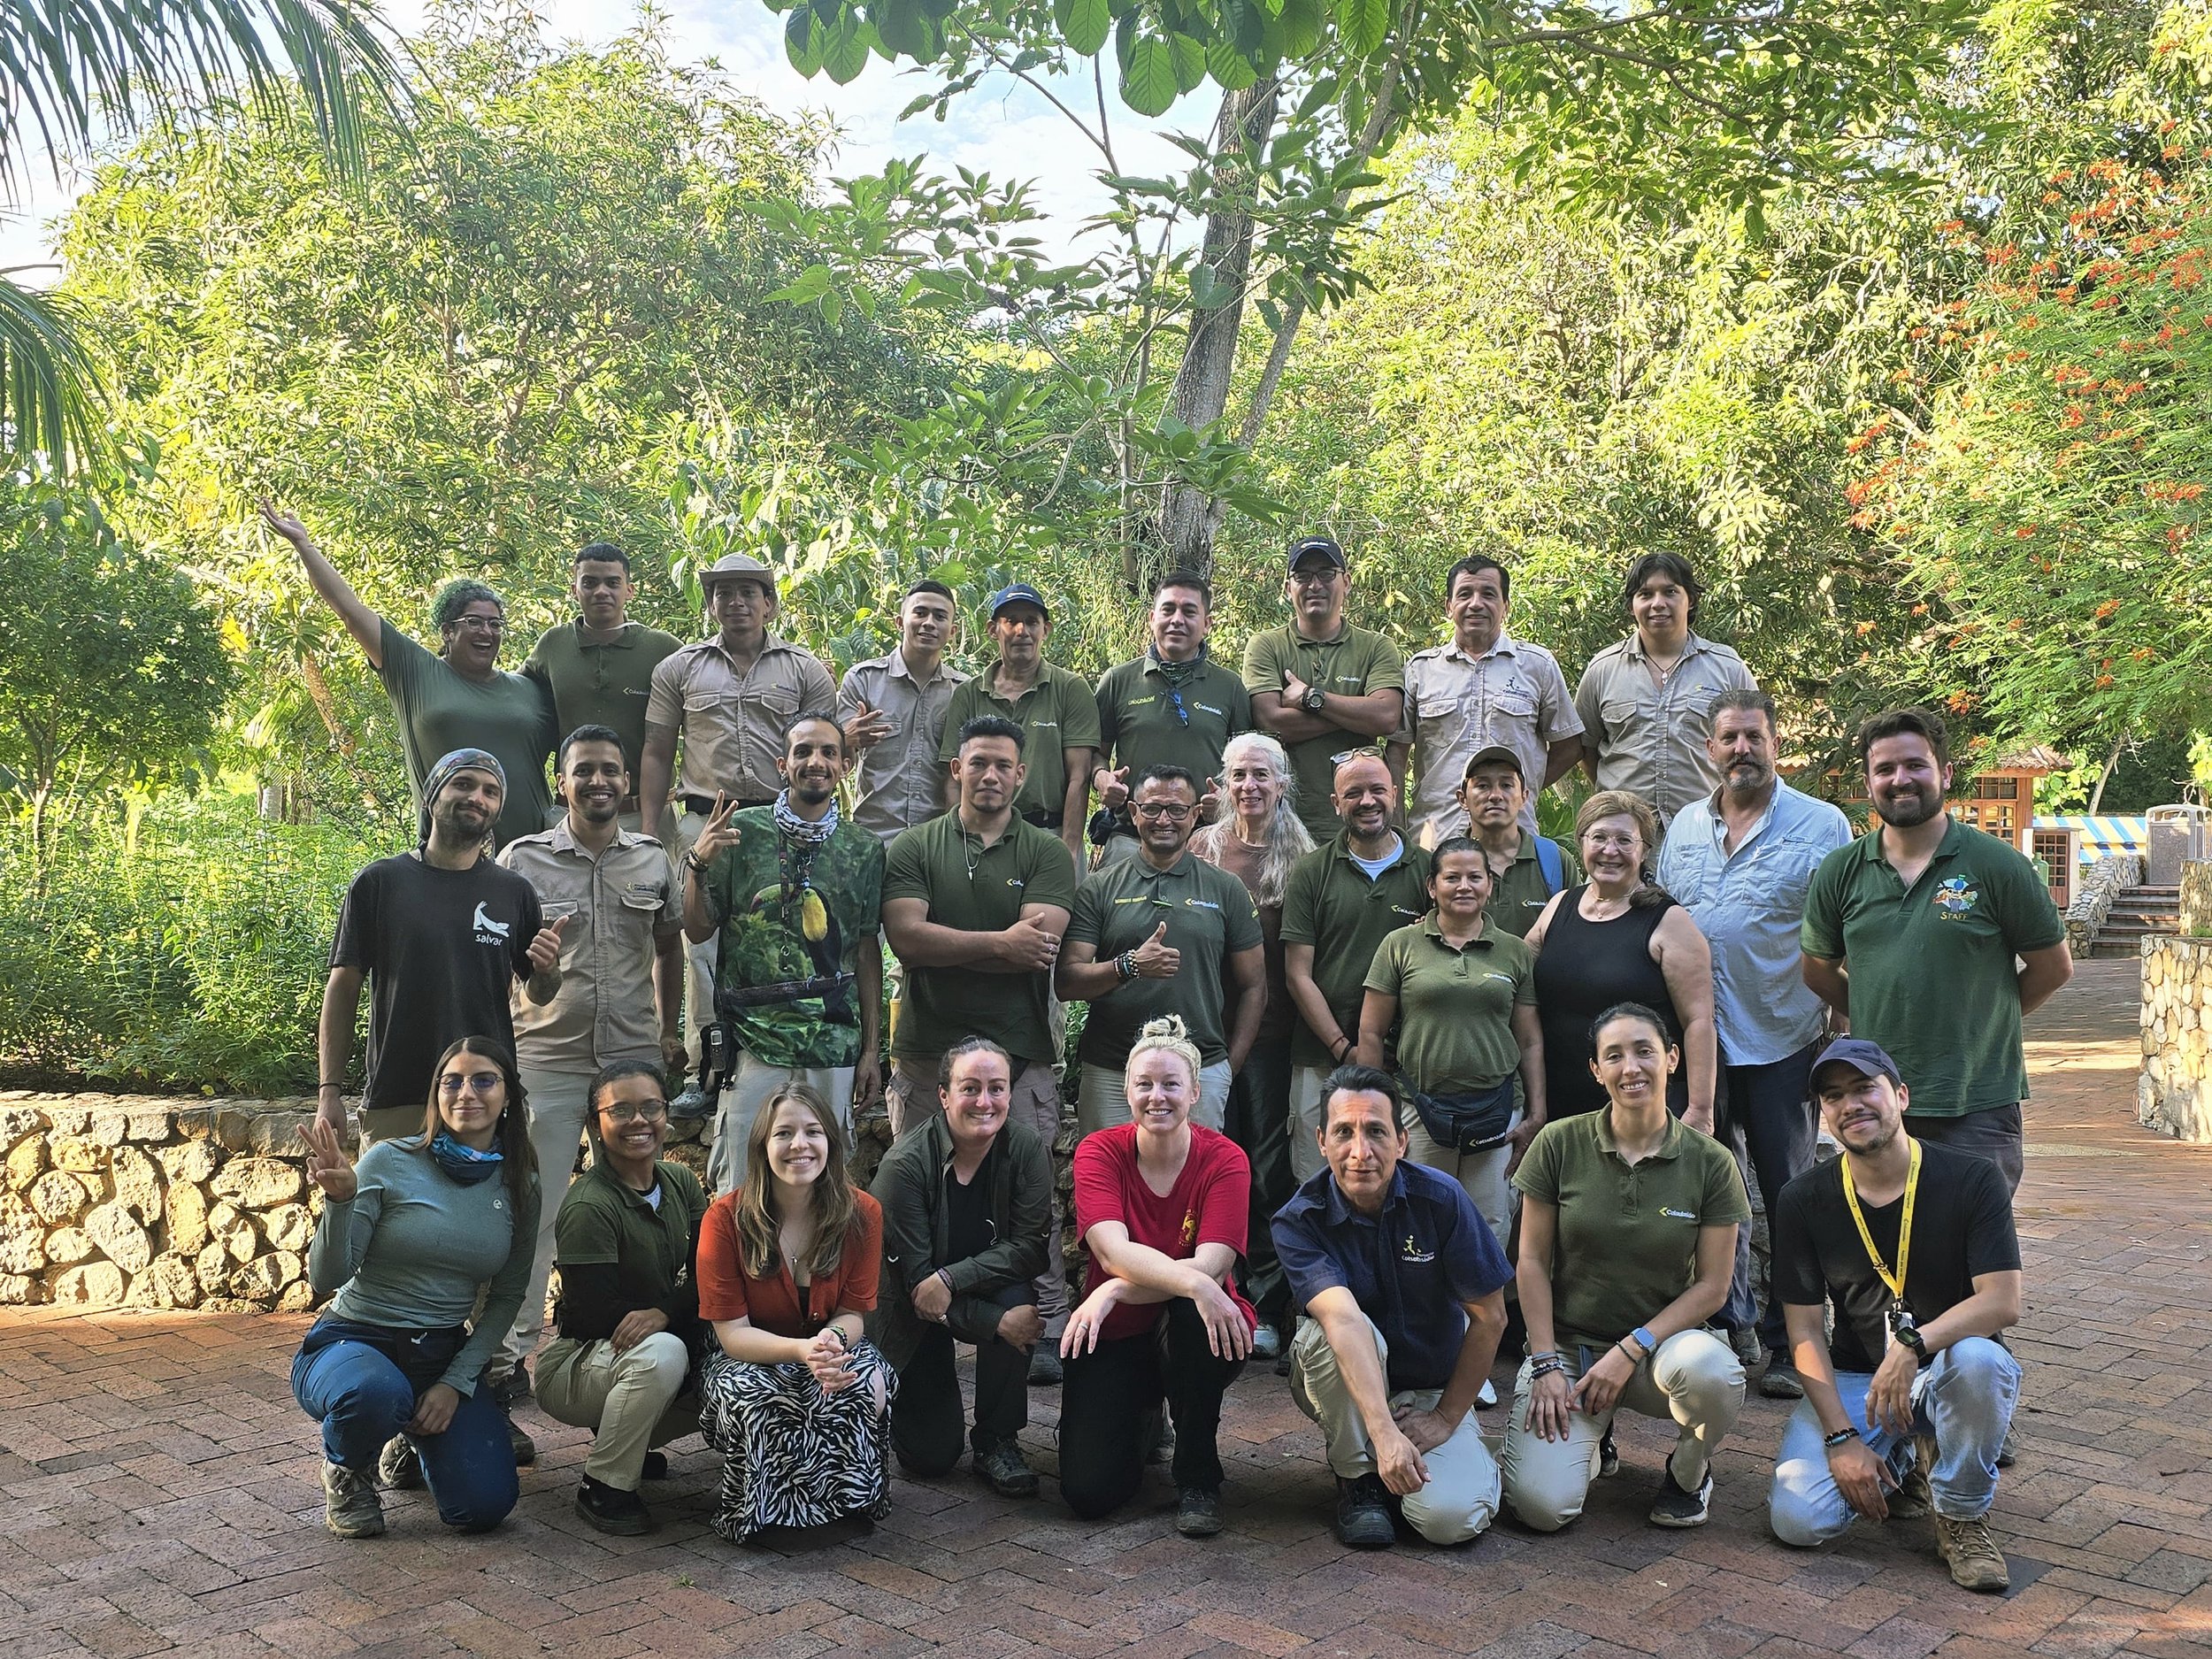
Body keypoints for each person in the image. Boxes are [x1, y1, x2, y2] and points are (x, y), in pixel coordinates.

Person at [1766, 1040, 2023, 1593]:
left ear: (1901, 1096)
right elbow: (1804, 1329)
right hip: (1859, 1377)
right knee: (1798, 1521)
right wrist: (1840, 1438)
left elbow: (2002, 1301)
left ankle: (1960, 1513)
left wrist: (1912, 1345)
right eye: (1834, 1096)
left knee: (1982, 1362)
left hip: (1947, 1368)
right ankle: (1905, 1457)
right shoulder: (1803, 1198)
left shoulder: (1971, 1178)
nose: (1851, 1105)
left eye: (1865, 1088)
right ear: (1824, 1114)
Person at [1657, 688, 1852, 1400]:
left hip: (1784, 1038)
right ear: (1710, 748)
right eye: (1729, 737)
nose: (1742, 748)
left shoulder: (1822, 825)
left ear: (1776, 744)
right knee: (1711, 1190)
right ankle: (1729, 1323)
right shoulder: (1683, 826)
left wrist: (1842, 1029)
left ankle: (1793, 1340)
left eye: (1754, 735)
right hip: (1698, 1045)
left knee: (1789, 1193)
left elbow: (1845, 930)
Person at [1801, 707, 2071, 1195]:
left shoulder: (1997, 865)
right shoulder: (1840, 871)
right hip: (1877, 1100)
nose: (1900, 779)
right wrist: (1876, 1009)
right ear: (1869, 781)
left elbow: (2052, 967)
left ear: (1945, 774)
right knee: (1884, 1236)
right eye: (1885, 769)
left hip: (1978, 1102)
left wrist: (1985, 1018)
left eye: (1915, 765)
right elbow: (1818, 970)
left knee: (1974, 1239)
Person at [1501, 1004, 1750, 1532]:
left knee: (1713, 1373)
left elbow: (1713, 1287)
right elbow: (1532, 1261)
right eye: (1613, 1056)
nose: (1630, 1067)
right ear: (1597, 1070)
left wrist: (1631, 1347)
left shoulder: (1711, 1161)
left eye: (1644, 1051)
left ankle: (1688, 1472)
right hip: (1571, 1354)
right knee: (1542, 1509)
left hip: (1663, 1352)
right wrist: (1544, 1361)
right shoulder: (1559, 1143)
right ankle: (1594, 1434)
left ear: (1672, 1059)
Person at [881, 716, 1078, 1381]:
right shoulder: (915, 846)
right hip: (924, 1052)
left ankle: (1045, 1325)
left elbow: (1039, 945)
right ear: (956, 770)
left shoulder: (1046, 853)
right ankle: (910, 1324)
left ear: (1020, 775)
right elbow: (907, 939)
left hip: (1018, 1056)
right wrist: (999, 943)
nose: (990, 775)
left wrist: (950, 943)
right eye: (978, 763)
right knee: (914, 1193)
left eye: (1003, 765)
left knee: (1032, 1197)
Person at [494, 726, 686, 1398]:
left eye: (610, 770)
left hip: (630, 1060)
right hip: (547, 1058)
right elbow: (502, 962)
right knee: (535, 1211)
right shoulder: (521, 861)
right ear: (562, 782)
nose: (598, 781)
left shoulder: (653, 860)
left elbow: (670, 947)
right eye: (584, 770)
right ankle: (506, 1360)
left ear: (627, 782)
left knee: (632, 1213)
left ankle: (626, 1362)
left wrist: (668, 1029)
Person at [294, 1037, 541, 1540]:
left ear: (508, 1097)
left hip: (438, 1352)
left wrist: (455, 1383)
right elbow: (326, 1278)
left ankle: (408, 1437)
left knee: (485, 1505)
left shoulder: (520, 1183)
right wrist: (340, 1202)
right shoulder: (389, 1160)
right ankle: (347, 1469)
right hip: (355, 1340)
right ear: (436, 1095)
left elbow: (507, 1296)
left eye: (484, 1080)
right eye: (452, 1082)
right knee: (375, 1394)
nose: (466, 1093)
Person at [1272, 1065, 1512, 1548]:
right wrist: (1383, 1434)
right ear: (1321, 1142)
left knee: (1449, 1520)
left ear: (1402, 1141)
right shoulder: (1299, 1221)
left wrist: (1444, 1418)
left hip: (1431, 1388)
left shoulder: (1442, 1200)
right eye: (1344, 1132)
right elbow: (1342, 1320)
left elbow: (1491, 1317)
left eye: (1376, 1132)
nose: (1360, 1152)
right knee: (1323, 1335)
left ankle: (1459, 1456)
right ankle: (1358, 1479)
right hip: (1346, 1385)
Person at [639, 552, 838, 1071]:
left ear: (769, 603)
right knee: (700, 946)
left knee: (783, 935)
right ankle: (706, 1066)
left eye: (748, 592)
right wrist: (649, 833)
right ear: (710, 605)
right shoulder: (679, 668)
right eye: (723, 592)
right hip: (705, 821)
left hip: (781, 822)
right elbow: (657, 751)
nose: (736, 602)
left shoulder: (804, 669)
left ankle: (783, 1050)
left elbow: (825, 750)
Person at [1057, 1017, 1256, 1537]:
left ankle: (1198, 1475)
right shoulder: (1099, 1151)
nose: (1157, 1096)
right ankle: (1145, 1416)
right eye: (1144, 1084)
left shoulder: (1226, 1159)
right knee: (1089, 1493)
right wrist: (1175, 1280)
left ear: (1195, 1091)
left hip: (1203, 1332)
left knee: (1193, 1304)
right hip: (1116, 1332)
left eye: (1171, 1084)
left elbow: (1212, 1266)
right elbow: (1112, 1250)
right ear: (1127, 1091)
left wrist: (1117, 1288)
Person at [260, 502, 557, 849]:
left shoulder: (528, 689)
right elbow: (351, 612)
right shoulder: (416, 673)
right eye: (473, 622)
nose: (486, 632)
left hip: (534, 855)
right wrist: (305, 546)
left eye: (495, 624)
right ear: (447, 631)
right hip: (445, 857)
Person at [319, 749, 565, 1148]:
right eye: (463, 784)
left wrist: (549, 969)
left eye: (491, 791)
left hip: (484, 1095)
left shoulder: (514, 891)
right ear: (432, 797)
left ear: (497, 811)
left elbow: (539, 993)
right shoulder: (380, 882)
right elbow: (342, 988)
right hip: (398, 1096)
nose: (477, 797)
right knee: (387, 1193)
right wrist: (328, 1091)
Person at [681, 713, 885, 1191]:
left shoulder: (864, 848)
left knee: (825, 1188)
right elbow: (697, 928)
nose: (816, 761)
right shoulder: (740, 831)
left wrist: (872, 1050)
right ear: (782, 764)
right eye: (804, 751)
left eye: (829, 752)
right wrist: (697, 863)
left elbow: (865, 951)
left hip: (832, 1042)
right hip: (753, 1042)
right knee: (740, 1183)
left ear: (845, 765)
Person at [694, 1084, 894, 1542]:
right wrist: (802, 1351)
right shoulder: (724, 1220)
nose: (799, 1145)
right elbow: (732, 1335)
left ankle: (846, 1506)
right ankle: (761, 1516)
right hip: (747, 1350)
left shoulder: (863, 1213)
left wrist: (830, 1345)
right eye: (783, 1133)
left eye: (813, 1132)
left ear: (830, 1143)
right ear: (762, 1146)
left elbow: (852, 1314)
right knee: (760, 1396)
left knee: (861, 1381)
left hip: (828, 1341)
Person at [868, 1039, 1052, 1498]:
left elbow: (1031, 1248)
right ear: (944, 1096)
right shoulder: (903, 1168)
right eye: (970, 1088)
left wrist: (953, 1278)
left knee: (1019, 1300)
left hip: (976, 1287)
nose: (985, 1102)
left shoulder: (1025, 1148)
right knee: (931, 1457)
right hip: (909, 1312)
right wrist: (996, 1322)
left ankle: (997, 1440)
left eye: (997, 1088)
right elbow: (918, 1289)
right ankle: (890, 1408)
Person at [533, 1063, 710, 1536]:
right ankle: (604, 1486)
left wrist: (665, 1312)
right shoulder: (590, 1204)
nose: (639, 1121)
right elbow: (595, 1312)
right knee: (665, 1353)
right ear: (595, 1123)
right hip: (577, 1361)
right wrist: (675, 1316)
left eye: (651, 1107)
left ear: (666, 1114)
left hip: (640, 1342)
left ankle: (628, 1438)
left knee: (733, 1355)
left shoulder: (680, 1182)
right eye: (621, 1110)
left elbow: (713, 1278)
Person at [1356, 838, 1546, 1266]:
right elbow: (1371, 1032)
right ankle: (1426, 1310)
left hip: (1498, 1112)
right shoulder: (1399, 945)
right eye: (1452, 877)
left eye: (1475, 877)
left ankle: (1483, 1311)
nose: (1464, 886)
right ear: (1431, 886)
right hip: (1419, 1110)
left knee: (1489, 1227)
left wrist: (1537, 1114)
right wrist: (1374, 1113)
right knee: (1419, 1226)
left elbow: (1531, 1040)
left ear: (1489, 886)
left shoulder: (1514, 951)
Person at [1189, 732, 1316, 1360]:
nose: (1250, 786)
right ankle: (1210, 1290)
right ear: (1224, 782)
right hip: (1200, 1036)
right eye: (1239, 774)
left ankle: (1265, 1303)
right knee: (1209, 1164)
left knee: (1266, 1170)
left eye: (1262, 774)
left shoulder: (1303, 858)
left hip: (1270, 1039)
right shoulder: (1202, 848)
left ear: (1282, 783)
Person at [1058, 764, 1266, 1134]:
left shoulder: (1226, 888)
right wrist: (1129, 966)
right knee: (1109, 1169)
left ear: (1195, 815)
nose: (1164, 820)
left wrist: (1227, 1067)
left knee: (1194, 1172)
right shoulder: (1099, 887)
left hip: (1199, 1069)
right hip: (1112, 1070)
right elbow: (1067, 981)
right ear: (1134, 812)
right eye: (1152, 809)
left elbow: (1255, 986)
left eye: (1177, 810)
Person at [1280, 753, 1433, 1184]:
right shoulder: (1311, 871)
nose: (1367, 801)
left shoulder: (1428, 870)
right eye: (1354, 793)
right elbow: (1297, 974)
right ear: (1336, 803)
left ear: (1395, 795)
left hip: (1406, 1066)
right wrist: (1344, 1049)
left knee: (1393, 1179)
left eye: (1377, 790)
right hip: (1319, 1057)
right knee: (1316, 1179)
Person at [1525, 790, 1716, 1130]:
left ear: (1644, 850)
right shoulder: (1558, 907)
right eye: (1599, 837)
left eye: (1625, 840)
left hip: (1645, 1110)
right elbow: (1514, 969)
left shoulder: (1669, 922)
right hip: (1562, 1107)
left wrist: (1700, 1111)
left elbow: (1698, 1021)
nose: (1610, 851)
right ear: (1582, 842)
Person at [1393, 557, 1582, 849]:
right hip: (1435, 835)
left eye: (1489, 594)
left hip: (1514, 837)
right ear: (1449, 606)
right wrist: (1395, 824)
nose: (1476, 604)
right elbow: (1397, 751)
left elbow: (1570, 746)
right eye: (1465, 594)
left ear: (1506, 606)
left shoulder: (1537, 666)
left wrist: (1520, 789)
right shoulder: (1421, 670)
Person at [1573, 552, 1757, 826]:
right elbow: (1584, 749)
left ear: (1690, 599)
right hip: (1623, 835)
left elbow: (1754, 746)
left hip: (1704, 830)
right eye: (1645, 594)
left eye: (1670, 592)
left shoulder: (1728, 669)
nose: (1658, 603)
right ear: (1632, 605)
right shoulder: (1603, 669)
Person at [1242, 534, 1406, 841]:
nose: (1314, 585)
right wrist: (1356, 711)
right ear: (1288, 587)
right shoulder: (1266, 646)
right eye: (1302, 576)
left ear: (1347, 582)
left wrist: (1310, 697)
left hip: (1361, 820)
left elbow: (1386, 717)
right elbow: (1270, 723)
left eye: (1326, 574)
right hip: (1284, 824)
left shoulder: (1376, 646)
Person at [1090, 571, 1251, 863]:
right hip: (1130, 837)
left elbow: (1246, 764)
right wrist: (1101, 778)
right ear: (1152, 618)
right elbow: (1095, 753)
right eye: (1168, 610)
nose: (1177, 619)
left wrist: (1227, 799)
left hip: (1207, 838)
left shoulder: (1229, 687)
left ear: (1207, 624)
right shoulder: (1118, 681)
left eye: (1189, 611)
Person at [937, 582, 1100, 871]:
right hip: (982, 837)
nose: (1021, 630)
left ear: (1045, 630)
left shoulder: (1070, 688)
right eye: (1011, 621)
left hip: (1048, 834)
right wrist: (962, 841)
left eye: (1031, 622)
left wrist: (1070, 849)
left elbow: (1079, 776)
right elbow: (953, 777)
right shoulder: (969, 694)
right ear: (993, 630)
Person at [521, 542, 683, 822]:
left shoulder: (663, 649)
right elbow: (514, 701)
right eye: (590, 583)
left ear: (629, 590)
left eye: (612, 583)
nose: (601, 591)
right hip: (570, 813)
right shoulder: (552, 645)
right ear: (575, 589)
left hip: (645, 815)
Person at [837, 579, 970, 842]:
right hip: (873, 837)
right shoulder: (863, 680)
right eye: (920, 613)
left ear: (952, 631)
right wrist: (845, 738)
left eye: (940, 616)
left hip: (937, 840)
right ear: (900, 622)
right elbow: (837, 763)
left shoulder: (964, 691)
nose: (929, 623)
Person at [1454, 745, 1580, 939]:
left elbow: (1578, 933)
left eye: (1506, 785)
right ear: (1463, 799)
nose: (1495, 796)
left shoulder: (1554, 862)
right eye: (1482, 786)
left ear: (1524, 797)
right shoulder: (1445, 863)